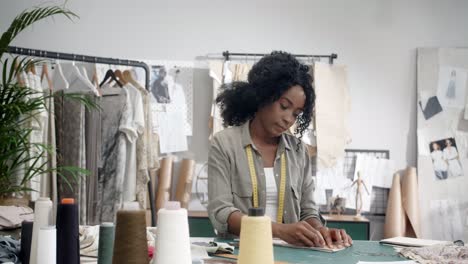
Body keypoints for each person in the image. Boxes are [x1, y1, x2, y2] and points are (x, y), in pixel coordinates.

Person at [207, 51, 353, 249]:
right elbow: (221, 213)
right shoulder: (224, 144)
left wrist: (321, 230)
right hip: (241, 254)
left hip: (291, 255)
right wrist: (281, 231)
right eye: (284, 106)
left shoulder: (299, 151)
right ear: (263, 96)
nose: (288, 119)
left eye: (296, 114)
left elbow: (308, 211)